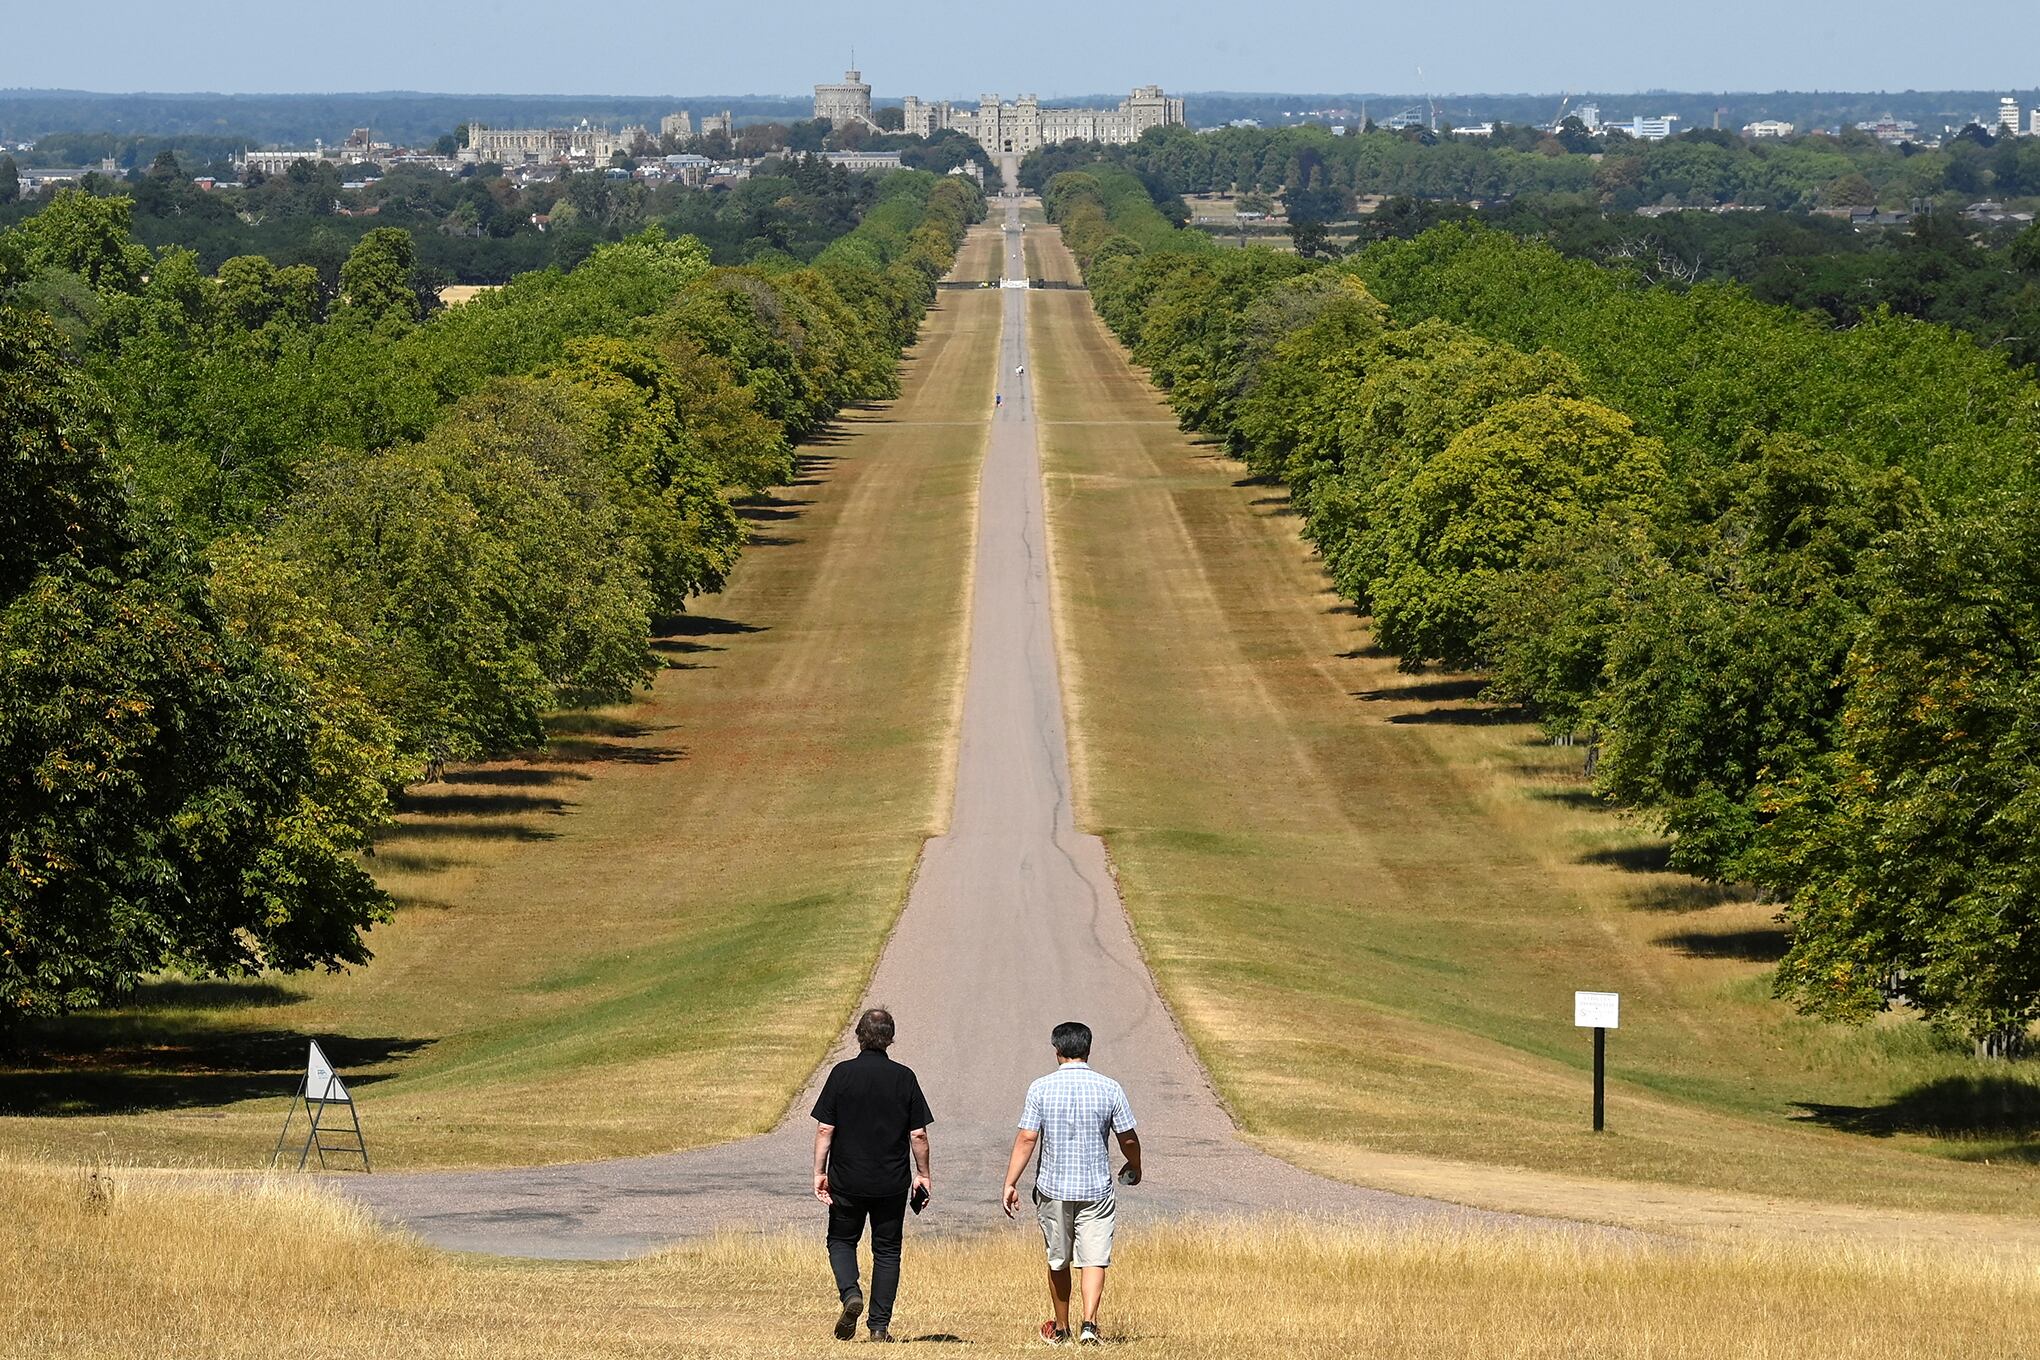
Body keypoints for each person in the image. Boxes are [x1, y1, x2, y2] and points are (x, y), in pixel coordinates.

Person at [1001, 1021, 1141, 1347]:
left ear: (1057, 1050)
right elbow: (1128, 1138)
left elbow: (1027, 1137)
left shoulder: (1040, 1088)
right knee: (1094, 1258)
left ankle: (1061, 1327)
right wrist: (1134, 1165)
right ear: (1088, 1050)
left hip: (1054, 1188)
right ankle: (1089, 1324)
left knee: (1058, 1258)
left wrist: (1011, 1182)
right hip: (1096, 1188)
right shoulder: (1110, 1088)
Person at [813, 1008, 933, 1344]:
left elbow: (825, 1128)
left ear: (858, 1035)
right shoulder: (904, 1077)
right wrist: (923, 1174)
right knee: (887, 1251)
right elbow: (918, 1135)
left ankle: (851, 1293)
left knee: (840, 1240)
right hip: (890, 1182)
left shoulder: (841, 1074)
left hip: (846, 1179)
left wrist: (819, 1172)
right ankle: (879, 1327)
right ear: (890, 1037)